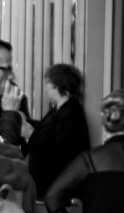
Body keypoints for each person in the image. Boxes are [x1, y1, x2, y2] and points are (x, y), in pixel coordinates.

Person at [25, 63, 90, 195]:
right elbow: (47, 129)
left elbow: (57, 147)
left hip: (56, 182)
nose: (46, 88)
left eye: (48, 83)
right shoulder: (60, 109)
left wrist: (31, 133)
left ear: (58, 85)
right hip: (51, 182)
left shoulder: (71, 113)